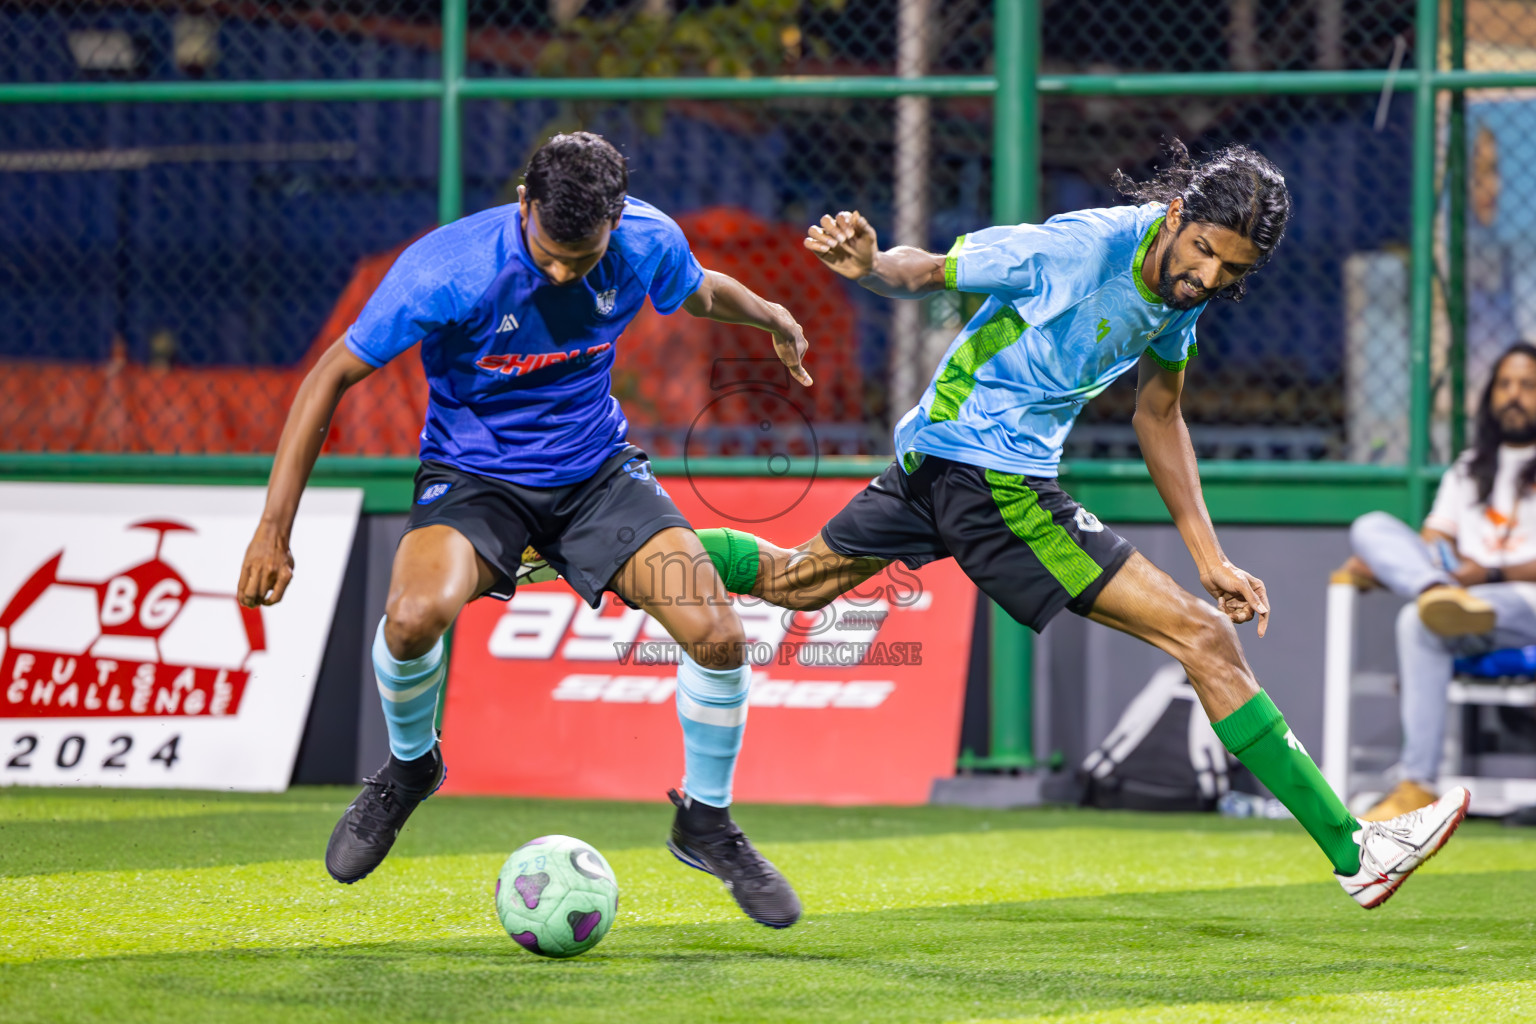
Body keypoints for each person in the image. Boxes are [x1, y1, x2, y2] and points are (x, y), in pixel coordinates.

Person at [694, 140, 1469, 909]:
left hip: (938, 459)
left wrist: (1210, 556)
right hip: (993, 477)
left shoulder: (1180, 296)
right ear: (1174, 216)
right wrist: (868, 266)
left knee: (792, 580)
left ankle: (618, 550)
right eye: (1202, 252)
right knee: (1203, 639)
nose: (1206, 278)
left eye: (1231, 272)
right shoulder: (1072, 249)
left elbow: (1159, 413)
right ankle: (1354, 850)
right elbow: (925, 269)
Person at [237, 132, 806, 928]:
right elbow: (330, 374)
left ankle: (704, 822)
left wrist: (770, 313)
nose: (564, 272)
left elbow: (696, 289)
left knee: (716, 632)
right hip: (475, 479)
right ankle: (410, 769)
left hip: (597, 474)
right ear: (523, 203)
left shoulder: (645, 238)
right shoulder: (447, 268)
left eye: (583, 254)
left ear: (616, 218)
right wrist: (273, 529)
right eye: (549, 252)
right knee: (411, 620)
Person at [1338, 342, 1536, 822]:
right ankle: (1418, 785)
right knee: (1372, 530)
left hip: (1524, 605)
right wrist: (1413, 565)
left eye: (1528, 385)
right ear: (1490, 396)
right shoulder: (1468, 469)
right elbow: (1434, 537)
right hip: (1461, 599)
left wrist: (1485, 572)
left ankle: (1437, 594)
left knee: (1420, 616)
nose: (1514, 395)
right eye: (1505, 384)